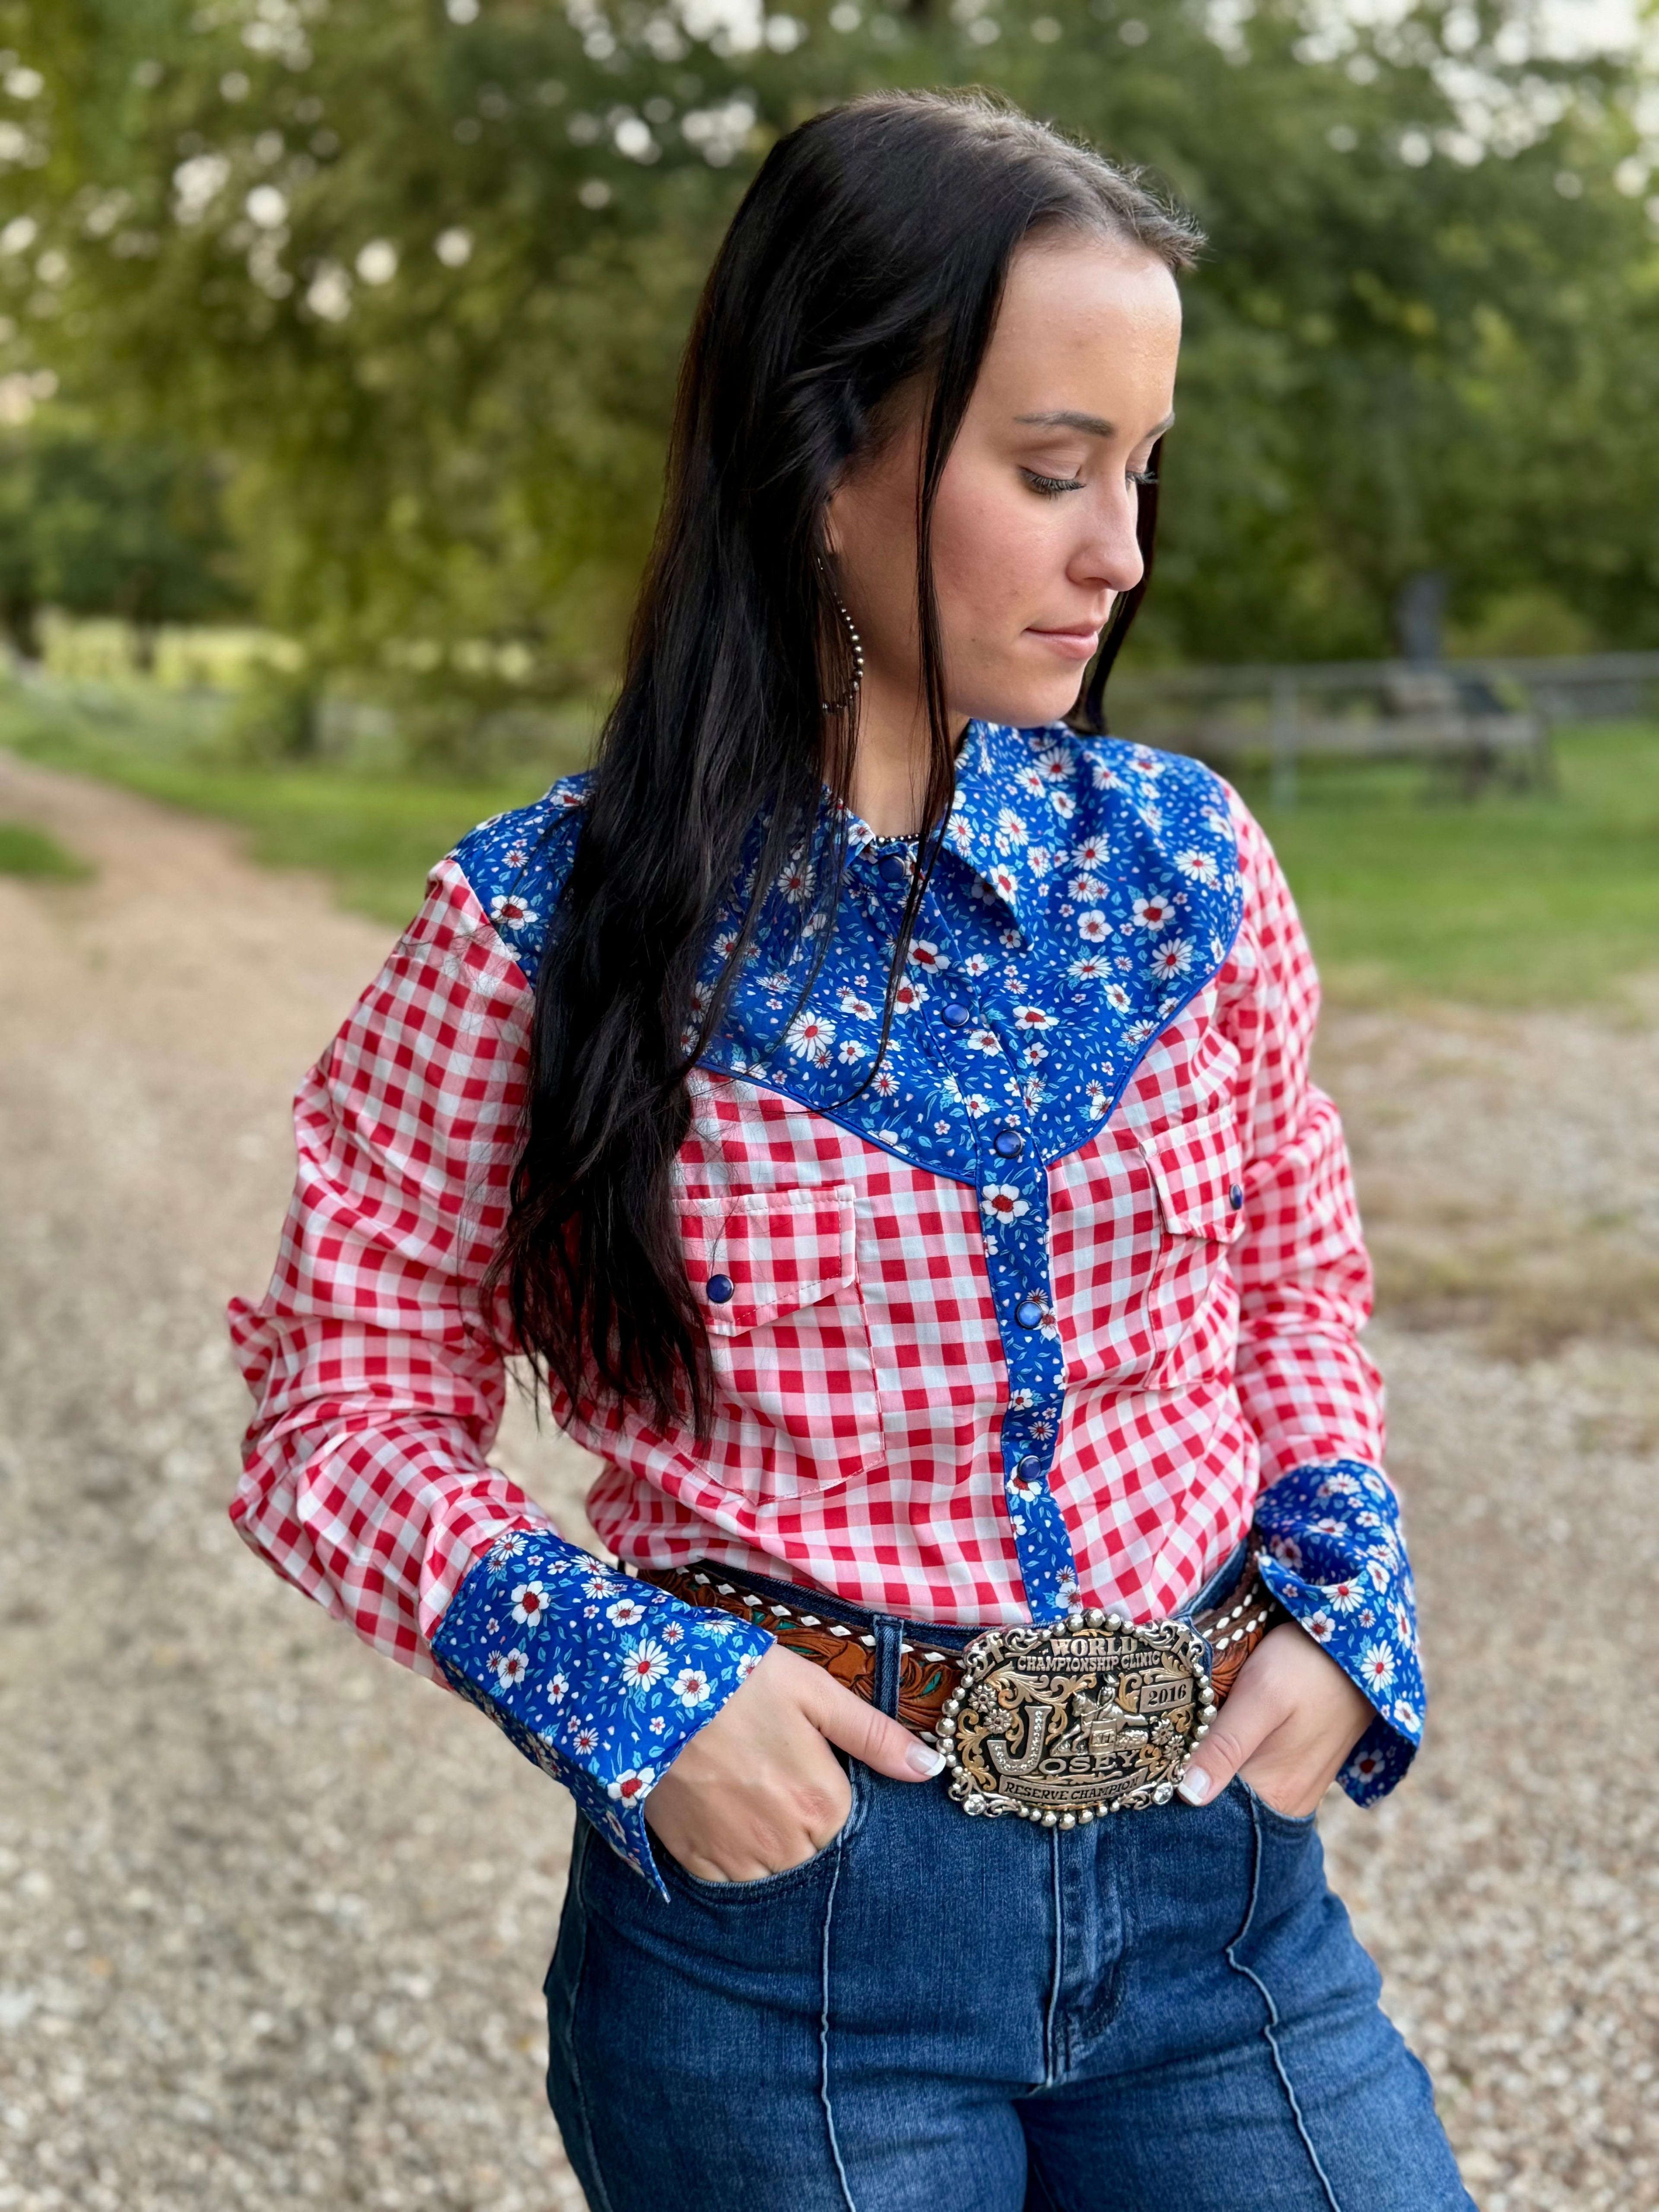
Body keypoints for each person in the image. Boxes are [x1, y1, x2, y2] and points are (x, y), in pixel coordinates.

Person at [229, 89, 1472, 2212]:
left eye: (1140, 472)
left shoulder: (1189, 864)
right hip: (794, 1943)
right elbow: (336, 1397)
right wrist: (628, 1692)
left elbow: (1289, 1280)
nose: (1121, 552)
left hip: (1224, 1915)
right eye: (1053, 470)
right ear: (822, 459)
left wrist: (1347, 1589)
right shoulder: (540, 926)